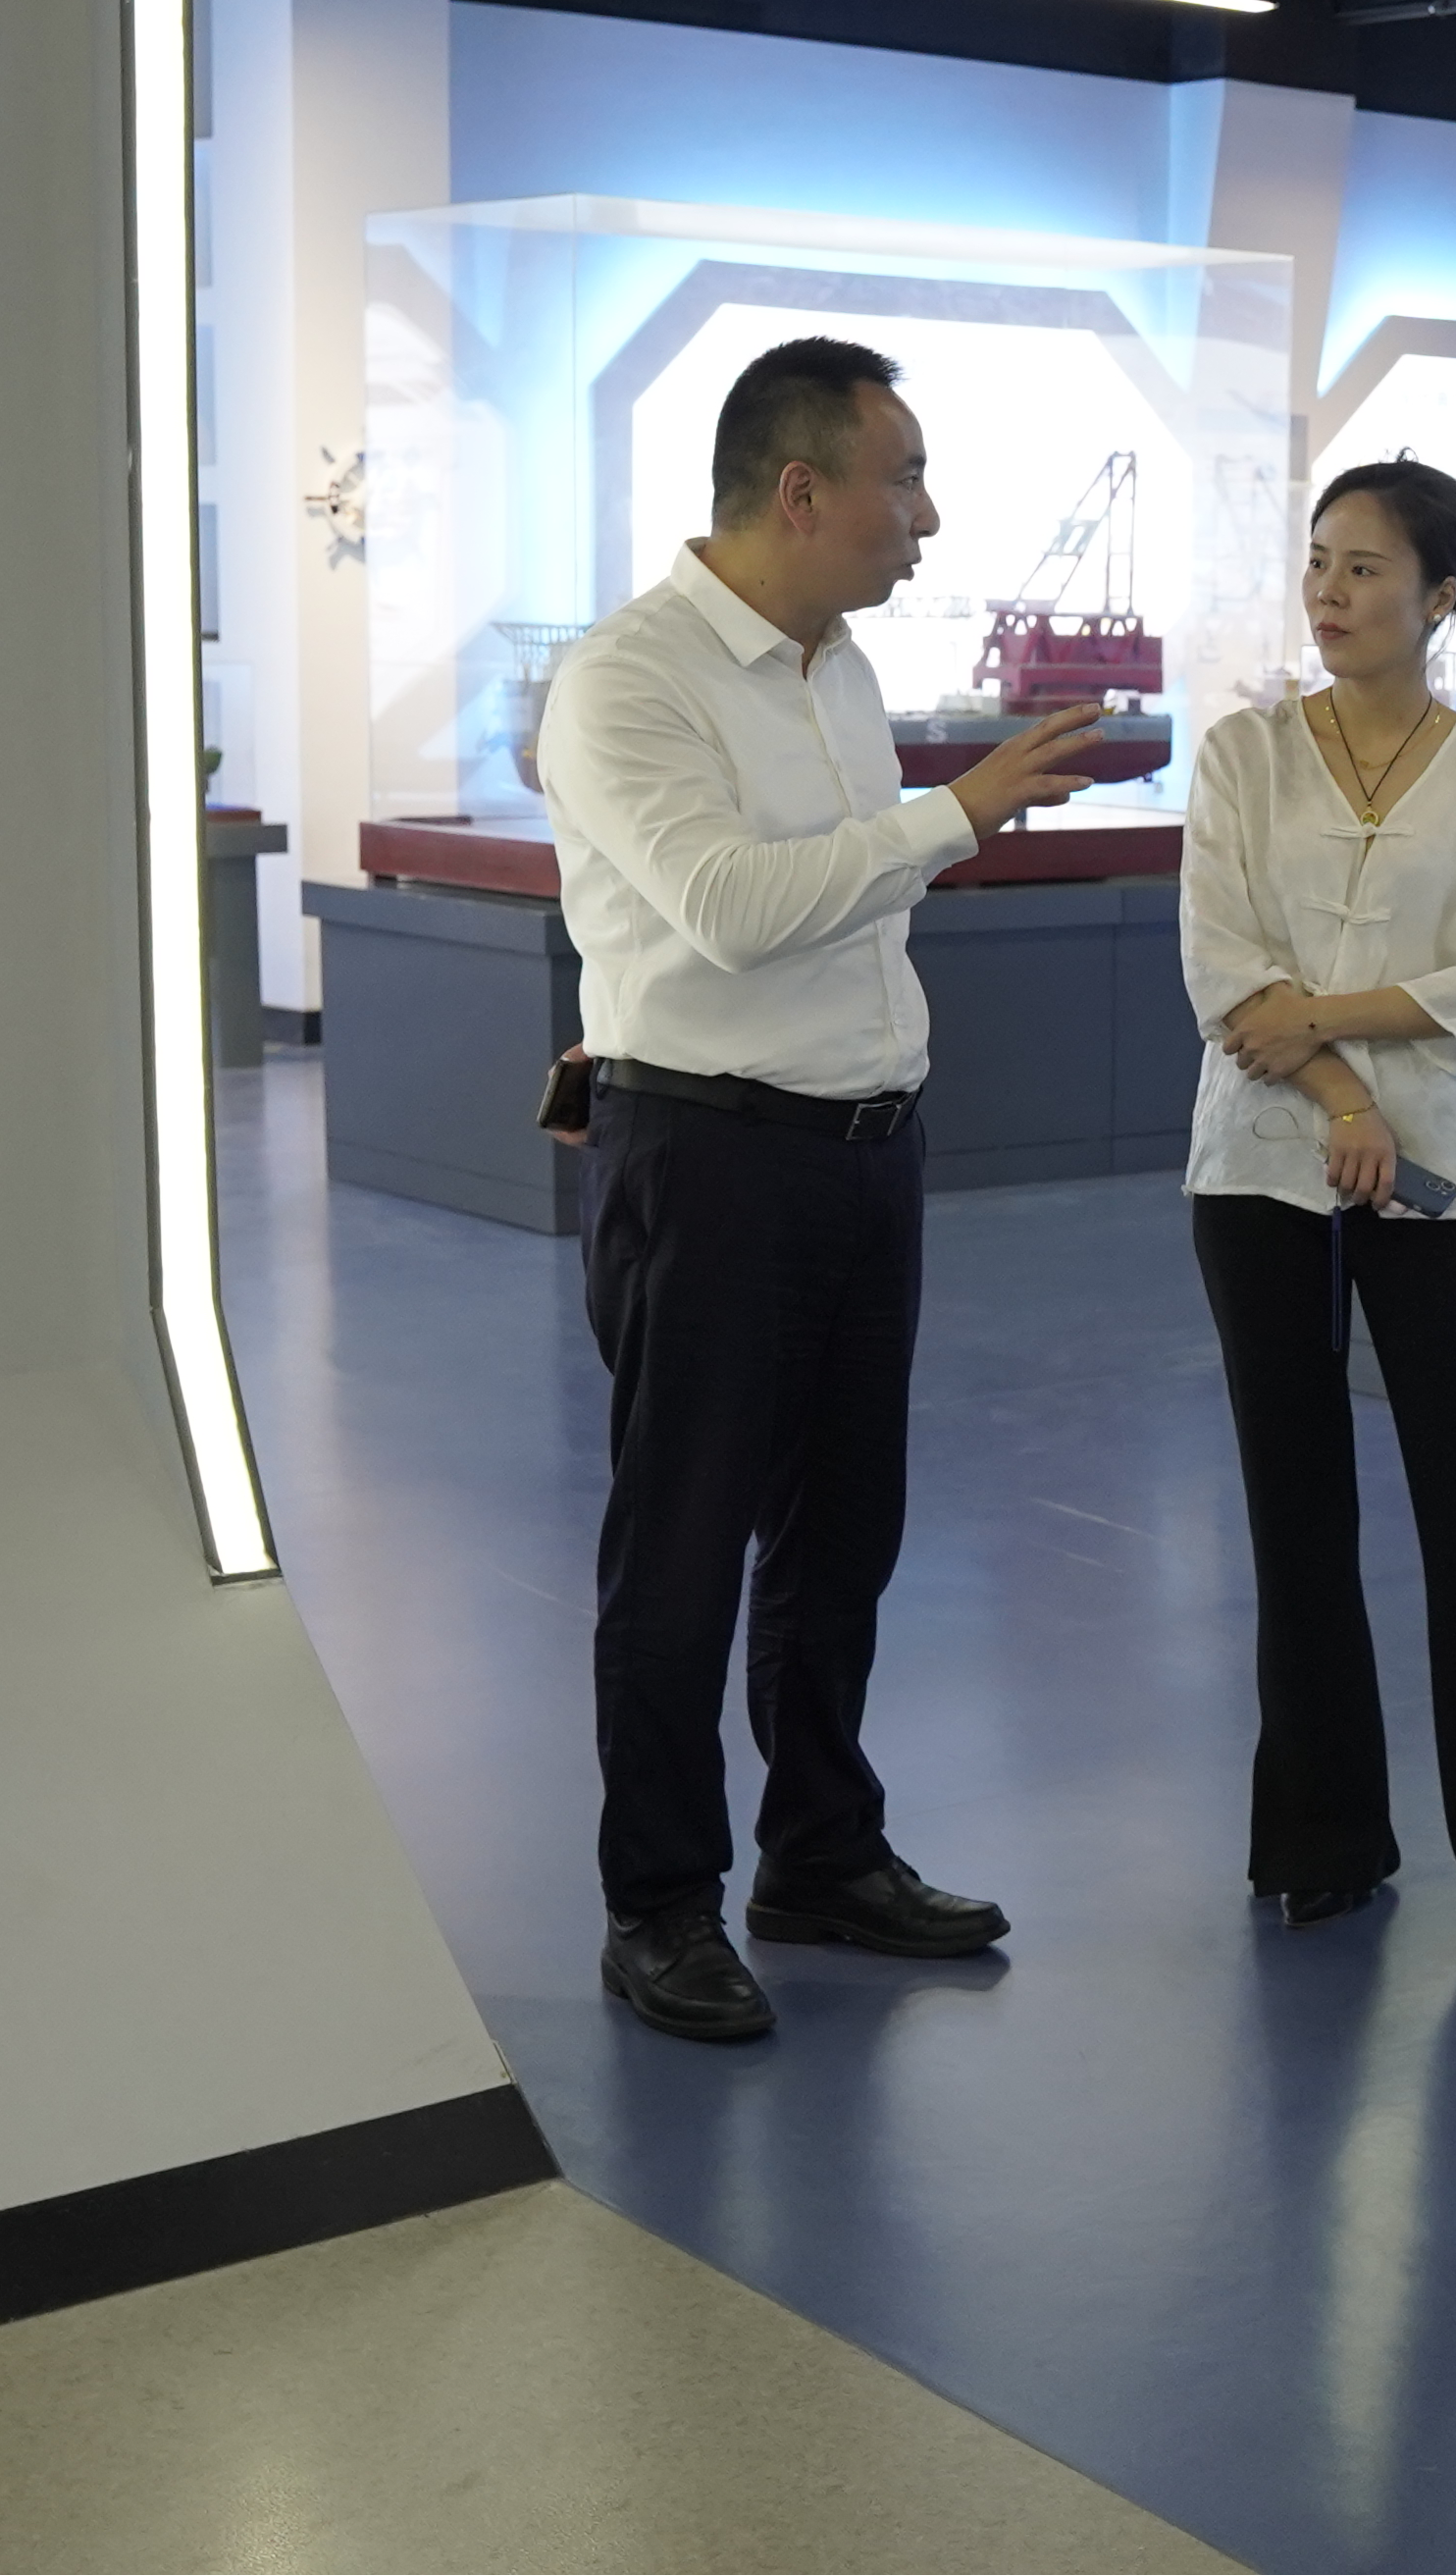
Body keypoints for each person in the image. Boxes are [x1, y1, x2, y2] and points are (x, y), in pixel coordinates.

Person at [546, 337, 1105, 2043]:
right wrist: (957, 815)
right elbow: (727, 908)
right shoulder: (629, 680)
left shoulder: (838, 668)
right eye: (903, 478)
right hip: (710, 1158)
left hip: (866, 1151)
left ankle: (821, 1853)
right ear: (801, 490)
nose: (925, 517)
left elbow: (838, 906)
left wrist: (924, 838)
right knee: (683, 1544)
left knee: (843, 1532)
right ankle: (659, 1904)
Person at [1179, 458, 1456, 1985]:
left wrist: (1324, 1023)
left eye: (1364, 568)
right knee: (1295, 1512)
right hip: (1261, 1169)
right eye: (1319, 561)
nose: (1330, 592)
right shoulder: (1242, 756)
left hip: (1446, 1180)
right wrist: (1342, 1094)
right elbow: (1222, 969)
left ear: (1441, 596)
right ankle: (1321, 1845)